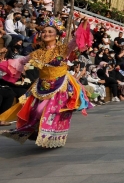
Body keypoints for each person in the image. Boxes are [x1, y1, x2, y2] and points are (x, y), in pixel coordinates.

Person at [0, 16, 93, 148]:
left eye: (50, 31)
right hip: (42, 86)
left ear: (57, 35)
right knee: (35, 112)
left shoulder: (63, 49)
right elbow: (21, 61)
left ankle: (50, 133)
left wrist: (82, 25)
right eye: (44, 31)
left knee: (42, 110)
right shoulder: (37, 53)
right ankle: (39, 131)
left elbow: (75, 41)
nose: (46, 34)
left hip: (60, 85)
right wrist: (3, 62)